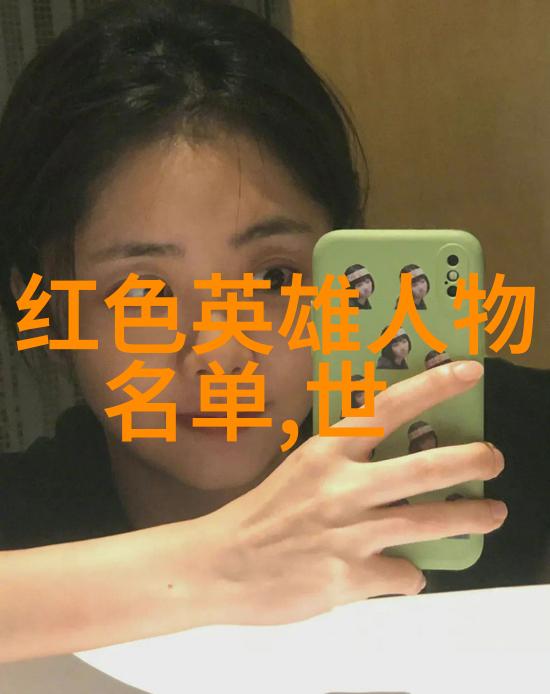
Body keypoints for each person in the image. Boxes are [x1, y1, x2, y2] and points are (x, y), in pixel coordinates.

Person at [0, 0, 548, 665]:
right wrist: (221, 566)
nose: (222, 355)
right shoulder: (26, 519)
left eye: (275, 280)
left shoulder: (490, 447)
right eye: (142, 293)